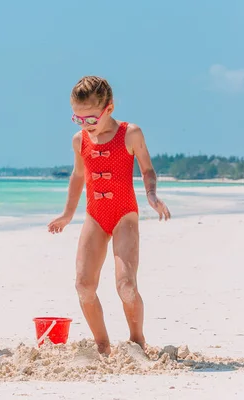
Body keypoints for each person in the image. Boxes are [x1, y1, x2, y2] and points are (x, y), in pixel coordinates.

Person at [48, 76, 171, 355]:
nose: (85, 125)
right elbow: (78, 176)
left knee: (125, 285)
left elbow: (147, 169)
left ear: (109, 108)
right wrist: (67, 214)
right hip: (95, 215)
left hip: (124, 215)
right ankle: (102, 346)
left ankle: (137, 341)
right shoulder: (80, 140)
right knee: (83, 285)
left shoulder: (130, 133)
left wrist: (151, 194)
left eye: (90, 119)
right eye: (77, 119)